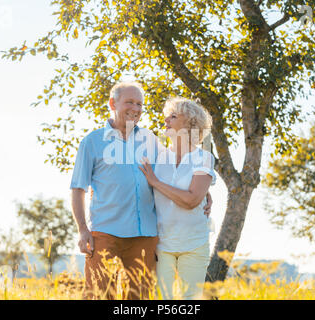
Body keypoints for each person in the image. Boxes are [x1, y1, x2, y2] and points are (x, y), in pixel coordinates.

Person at [70, 82, 212, 300]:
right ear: (112, 103)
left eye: (139, 104)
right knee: (99, 296)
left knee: (140, 299)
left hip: (145, 236)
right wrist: (82, 229)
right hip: (105, 232)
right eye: (129, 102)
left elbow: (180, 166)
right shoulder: (93, 142)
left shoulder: (151, 140)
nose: (135, 108)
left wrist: (205, 193)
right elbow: (78, 188)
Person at [139, 97, 216, 300]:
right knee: (162, 299)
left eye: (173, 116)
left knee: (189, 301)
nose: (166, 120)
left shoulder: (204, 158)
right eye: (167, 116)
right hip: (163, 244)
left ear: (190, 123)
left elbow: (191, 201)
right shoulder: (157, 156)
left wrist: (155, 182)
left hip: (194, 243)